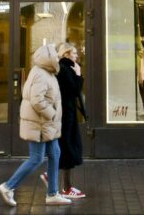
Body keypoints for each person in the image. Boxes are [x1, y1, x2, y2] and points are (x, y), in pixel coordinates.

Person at [0, 44, 68, 207]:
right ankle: (8, 186)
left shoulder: (46, 72)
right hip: (40, 124)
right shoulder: (41, 74)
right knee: (36, 158)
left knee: (55, 153)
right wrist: (52, 114)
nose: (58, 58)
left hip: (46, 125)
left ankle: (52, 194)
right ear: (49, 57)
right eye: (56, 56)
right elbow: (37, 100)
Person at [54, 42, 87, 198]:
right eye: (74, 53)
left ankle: (62, 183)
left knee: (66, 145)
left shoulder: (65, 68)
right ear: (66, 54)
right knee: (66, 145)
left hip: (67, 112)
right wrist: (79, 75)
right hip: (66, 114)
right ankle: (65, 186)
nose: (77, 56)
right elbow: (74, 91)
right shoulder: (64, 69)